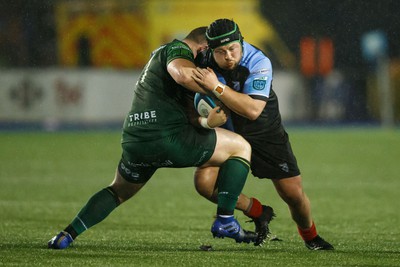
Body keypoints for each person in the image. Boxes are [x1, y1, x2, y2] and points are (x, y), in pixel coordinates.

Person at [47, 27, 258, 249]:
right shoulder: (177, 50)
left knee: (118, 191)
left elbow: (181, 108)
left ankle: (66, 235)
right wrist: (219, 89)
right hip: (168, 138)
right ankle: (225, 220)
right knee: (240, 147)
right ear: (204, 47)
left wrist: (206, 122)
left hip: (135, 139)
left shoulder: (158, 55)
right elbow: (183, 74)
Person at [191, 19, 334, 250]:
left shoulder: (258, 61)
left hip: (264, 132)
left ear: (241, 42)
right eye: (220, 51)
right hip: (227, 133)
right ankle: (259, 212)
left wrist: (215, 87)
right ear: (209, 50)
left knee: (293, 194)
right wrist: (205, 120)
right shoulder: (201, 60)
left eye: (232, 49)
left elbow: (252, 110)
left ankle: (311, 238)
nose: (228, 56)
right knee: (204, 184)